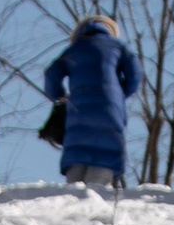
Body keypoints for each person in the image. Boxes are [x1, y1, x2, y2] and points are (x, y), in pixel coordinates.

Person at [43, 13, 141, 190]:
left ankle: (74, 201)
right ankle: (94, 199)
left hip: (77, 112)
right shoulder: (118, 47)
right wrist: (118, 94)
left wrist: (59, 96)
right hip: (110, 113)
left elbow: (51, 75)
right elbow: (135, 75)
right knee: (103, 160)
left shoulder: (74, 49)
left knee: (77, 163)